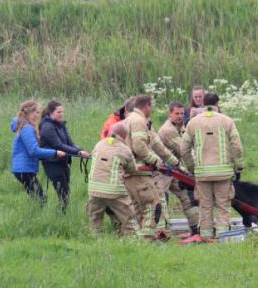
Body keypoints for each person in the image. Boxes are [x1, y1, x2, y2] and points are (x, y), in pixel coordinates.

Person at [179, 92, 244, 241]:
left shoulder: (193, 122)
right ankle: (222, 237)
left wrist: (191, 168)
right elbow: (238, 148)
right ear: (217, 104)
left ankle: (206, 237)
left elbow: (183, 149)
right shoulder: (227, 121)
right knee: (223, 206)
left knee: (205, 206)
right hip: (224, 174)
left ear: (203, 104)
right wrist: (238, 167)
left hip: (202, 174)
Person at [123, 94, 181, 240]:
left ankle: (138, 241)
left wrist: (176, 164)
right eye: (152, 106)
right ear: (147, 106)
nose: (152, 109)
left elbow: (158, 146)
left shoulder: (134, 120)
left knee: (139, 210)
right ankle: (148, 240)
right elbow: (139, 147)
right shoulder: (138, 121)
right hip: (140, 173)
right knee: (153, 207)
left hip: (130, 173)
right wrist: (156, 161)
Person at [86, 122, 139, 236]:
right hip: (114, 191)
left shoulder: (99, 144)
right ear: (124, 135)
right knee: (129, 218)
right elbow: (133, 170)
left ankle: (97, 241)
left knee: (95, 219)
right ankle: (132, 243)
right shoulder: (125, 149)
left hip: (94, 189)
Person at [156, 101, 200, 235]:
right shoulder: (168, 130)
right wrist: (192, 172)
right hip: (161, 171)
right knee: (160, 200)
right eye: (177, 113)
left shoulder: (180, 127)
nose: (180, 116)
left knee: (186, 196)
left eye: (182, 113)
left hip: (173, 170)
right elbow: (183, 150)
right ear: (170, 114)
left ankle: (195, 228)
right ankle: (161, 233)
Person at [39, 100, 90, 211]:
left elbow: (69, 143)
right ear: (51, 112)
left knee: (66, 192)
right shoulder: (47, 127)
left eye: (62, 112)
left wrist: (81, 151)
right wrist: (78, 153)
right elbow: (58, 145)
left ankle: (63, 213)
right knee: (63, 193)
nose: (61, 114)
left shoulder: (61, 125)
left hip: (63, 162)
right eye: (58, 112)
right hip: (52, 163)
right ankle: (61, 215)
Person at [11, 100, 66, 202]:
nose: (38, 115)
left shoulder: (24, 126)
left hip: (23, 169)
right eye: (36, 112)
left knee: (37, 199)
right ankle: (35, 215)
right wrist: (55, 152)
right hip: (24, 170)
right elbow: (33, 151)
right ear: (29, 113)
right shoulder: (27, 128)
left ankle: (34, 213)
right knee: (41, 199)